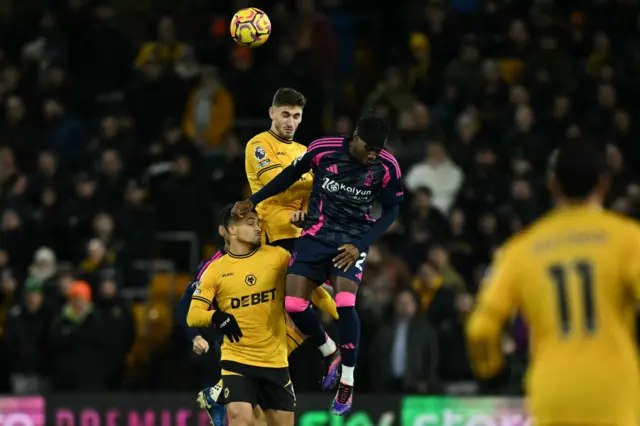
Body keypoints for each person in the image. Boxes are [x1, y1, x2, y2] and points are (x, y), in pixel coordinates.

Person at [233, 115, 404, 415]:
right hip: (315, 235)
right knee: (294, 305)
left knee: (345, 302)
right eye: (369, 147)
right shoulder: (323, 149)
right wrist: (256, 199)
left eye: (379, 148)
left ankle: (348, 381)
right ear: (355, 136)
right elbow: (288, 175)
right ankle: (329, 351)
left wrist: (361, 245)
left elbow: (391, 211)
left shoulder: (386, 167)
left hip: (351, 242)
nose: (373, 153)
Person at [466, 139, 640, 426]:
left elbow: (480, 329)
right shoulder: (628, 239)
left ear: (552, 185)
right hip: (614, 387)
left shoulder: (521, 249)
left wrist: (491, 372)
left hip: (553, 389)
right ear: (604, 184)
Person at [187, 206, 295, 426]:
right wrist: (217, 317)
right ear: (232, 230)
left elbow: (311, 290)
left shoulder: (278, 257)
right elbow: (193, 315)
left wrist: (338, 312)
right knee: (240, 418)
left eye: (258, 222)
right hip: (237, 360)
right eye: (250, 223)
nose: (257, 228)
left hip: (275, 361)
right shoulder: (215, 270)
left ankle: (214, 398)